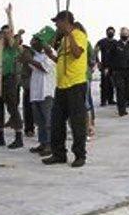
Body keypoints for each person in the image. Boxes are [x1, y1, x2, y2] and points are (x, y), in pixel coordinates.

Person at [42, 10, 89, 168]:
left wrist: (70, 35)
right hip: (61, 85)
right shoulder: (63, 40)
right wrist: (51, 55)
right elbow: (61, 60)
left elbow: (77, 54)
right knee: (57, 122)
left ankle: (80, 155)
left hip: (75, 84)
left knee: (77, 122)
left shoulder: (78, 35)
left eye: (57, 22)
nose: (56, 25)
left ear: (65, 21)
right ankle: (59, 154)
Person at [0, 4, 24, 149]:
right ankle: (0, 136)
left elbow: (11, 32)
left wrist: (9, 15)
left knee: (12, 108)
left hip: (9, 79)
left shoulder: (11, 50)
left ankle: (18, 137)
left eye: (1, 37)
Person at [28, 27, 56, 157]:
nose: (32, 41)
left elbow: (44, 68)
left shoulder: (51, 54)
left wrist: (28, 60)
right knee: (39, 121)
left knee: (48, 120)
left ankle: (50, 144)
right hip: (36, 92)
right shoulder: (36, 54)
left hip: (46, 92)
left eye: (36, 40)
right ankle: (43, 142)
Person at [108, 27, 129, 116]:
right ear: (120, 34)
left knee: (126, 90)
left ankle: (123, 106)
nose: (124, 35)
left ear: (128, 35)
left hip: (128, 72)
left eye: (126, 34)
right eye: (123, 33)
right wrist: (109, 68)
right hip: (117, 71)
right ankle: (121, 110)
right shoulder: (115, 44)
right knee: (120, 89)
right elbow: (110, 57)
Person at [18, 37, 36, 138]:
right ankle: (29, 128)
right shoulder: (20, 51)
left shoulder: (29, 51)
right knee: (28, 106)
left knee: (33, 106)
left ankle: (31, 128)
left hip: (33, 82)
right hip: (27, 83)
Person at [95, 27, 116, 107]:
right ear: (106, 32)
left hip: (113, 66)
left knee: (112, 84)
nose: (110, 33)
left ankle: (110, 100)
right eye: (109, 31)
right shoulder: (101, 42)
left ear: (114, 33)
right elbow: (95, 51)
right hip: (104, 65)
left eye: (112, 32)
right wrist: (98, 62)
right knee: (104, 84)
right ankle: (103, 100)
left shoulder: (115, 42)